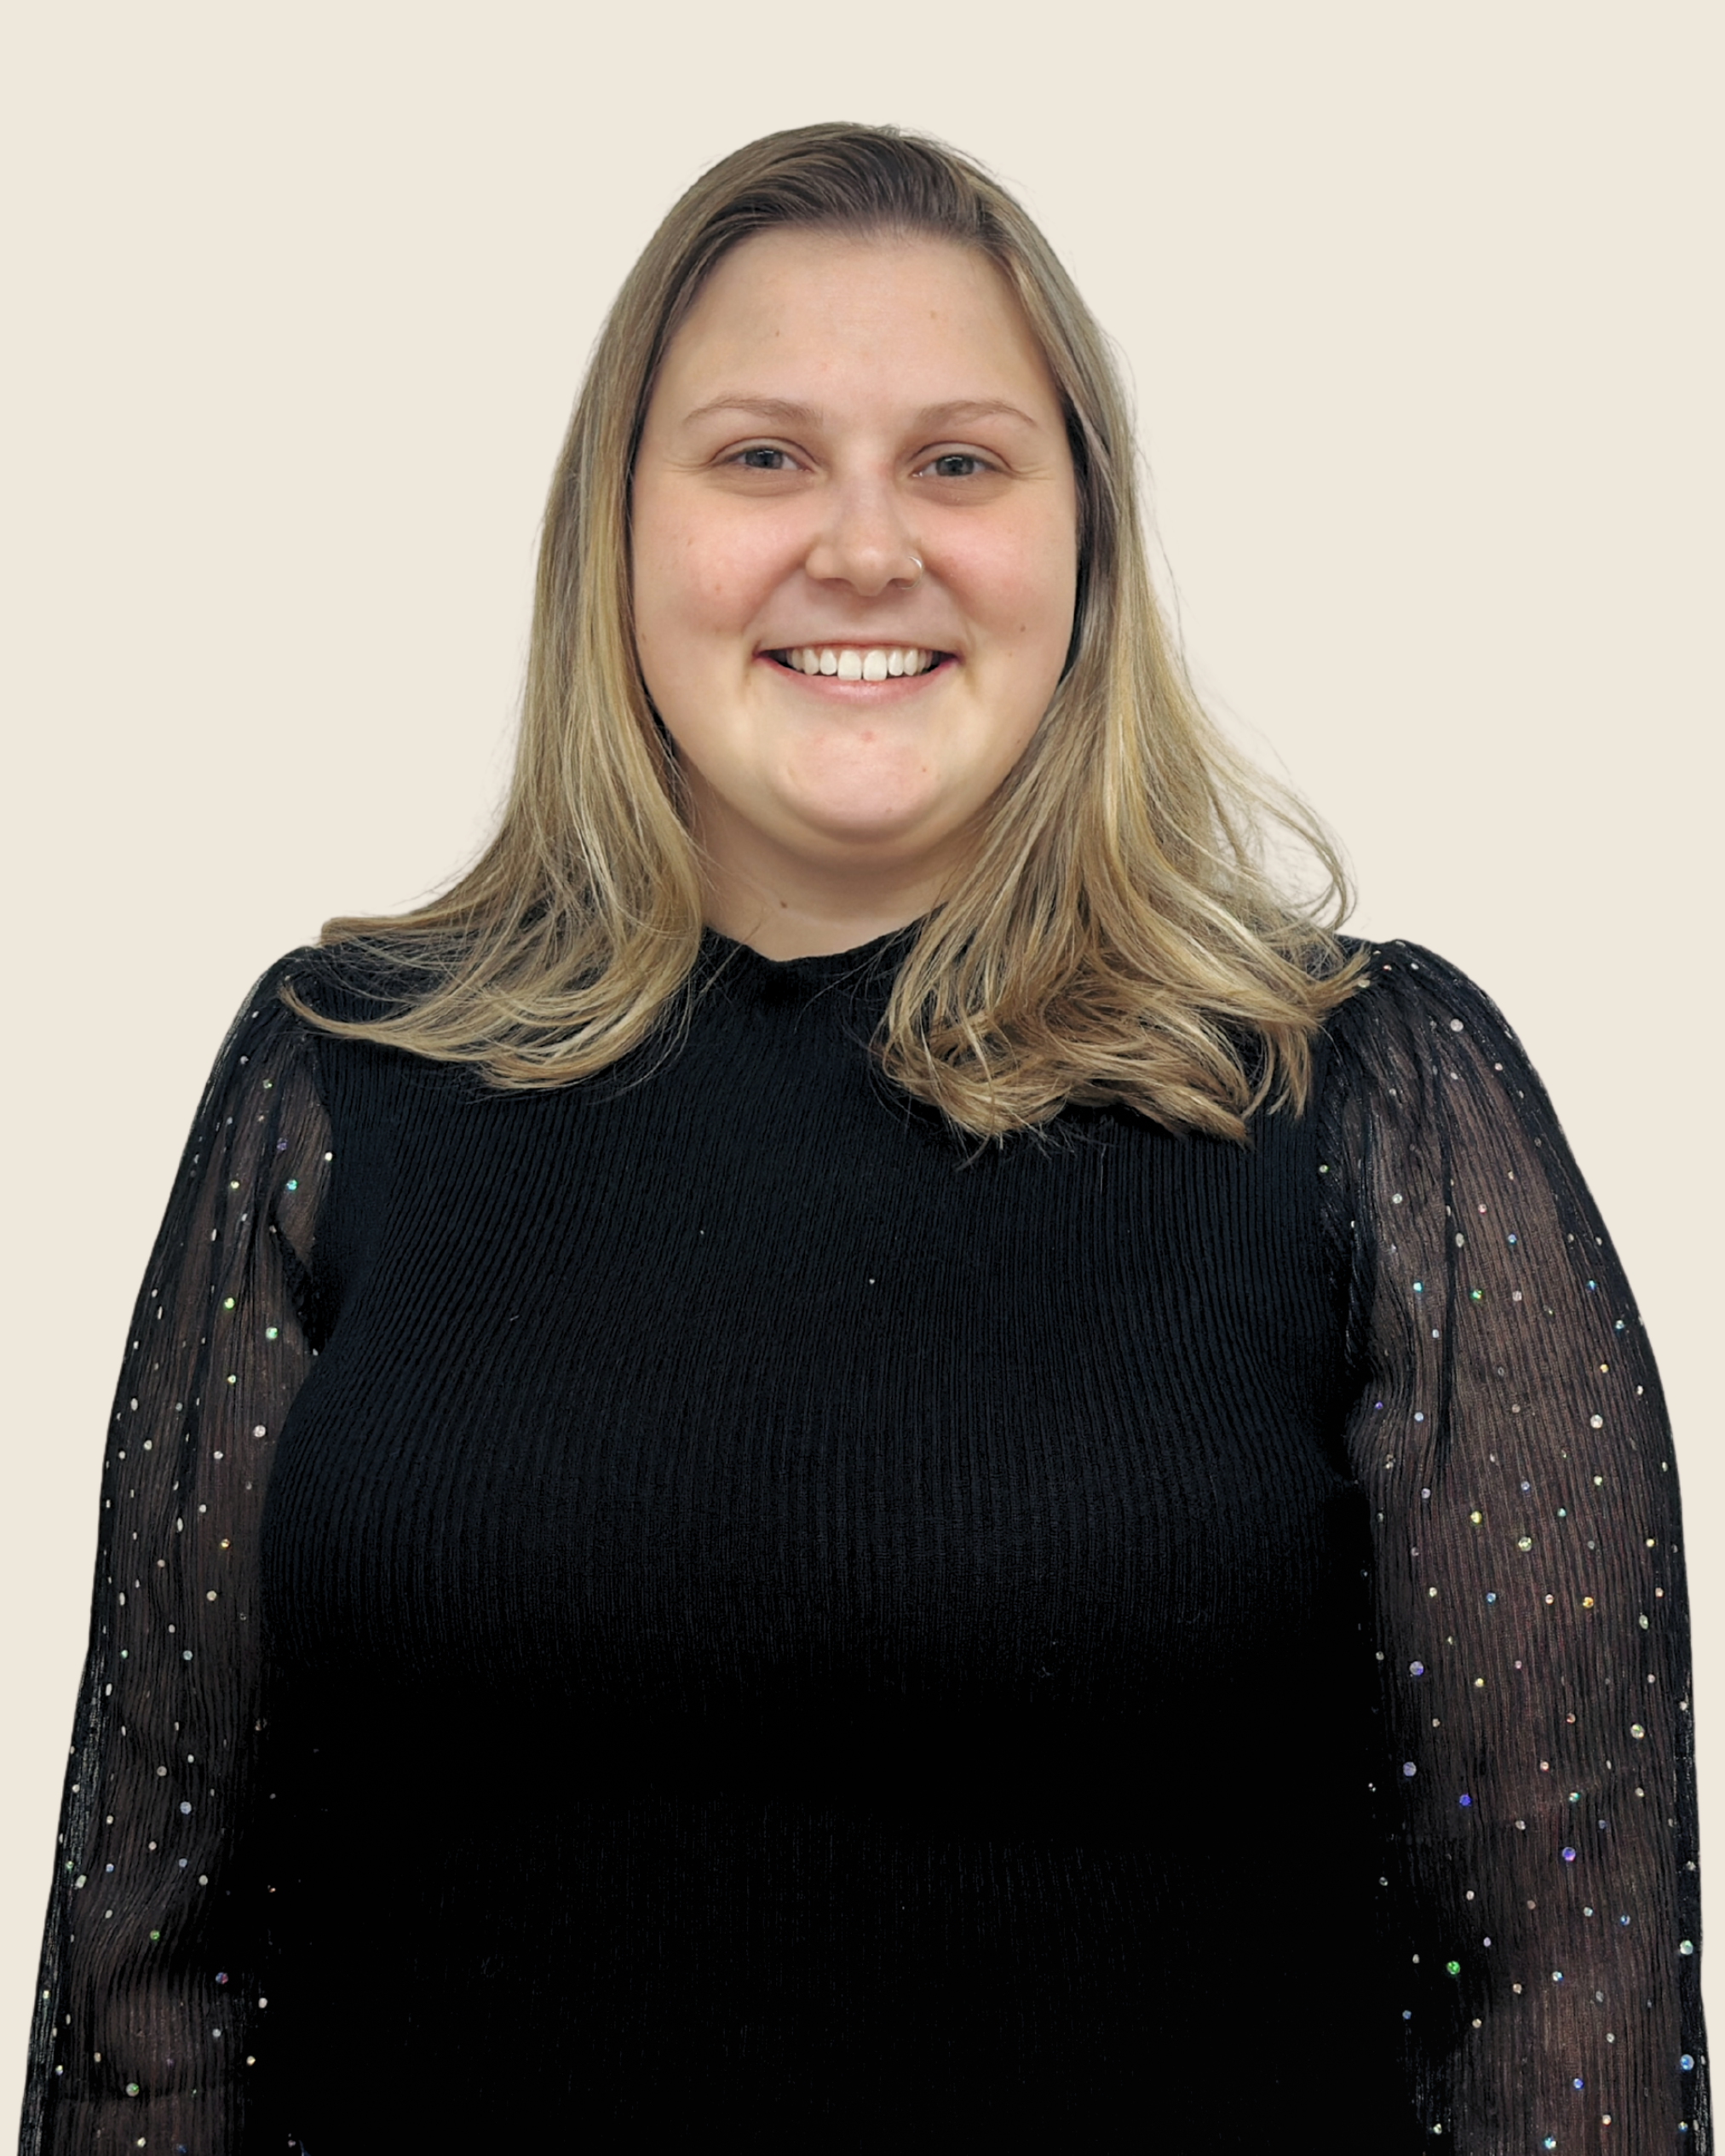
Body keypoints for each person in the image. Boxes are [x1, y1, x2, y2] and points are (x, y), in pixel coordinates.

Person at [18, 121, 1706, 2154]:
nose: (864, 545)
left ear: (1084, 545)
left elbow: (1556, 1993)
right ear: (615, 533)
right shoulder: (336, 1086)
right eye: (760, 456)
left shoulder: (1365, 1105)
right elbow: (149, 1964)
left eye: (959, 461)